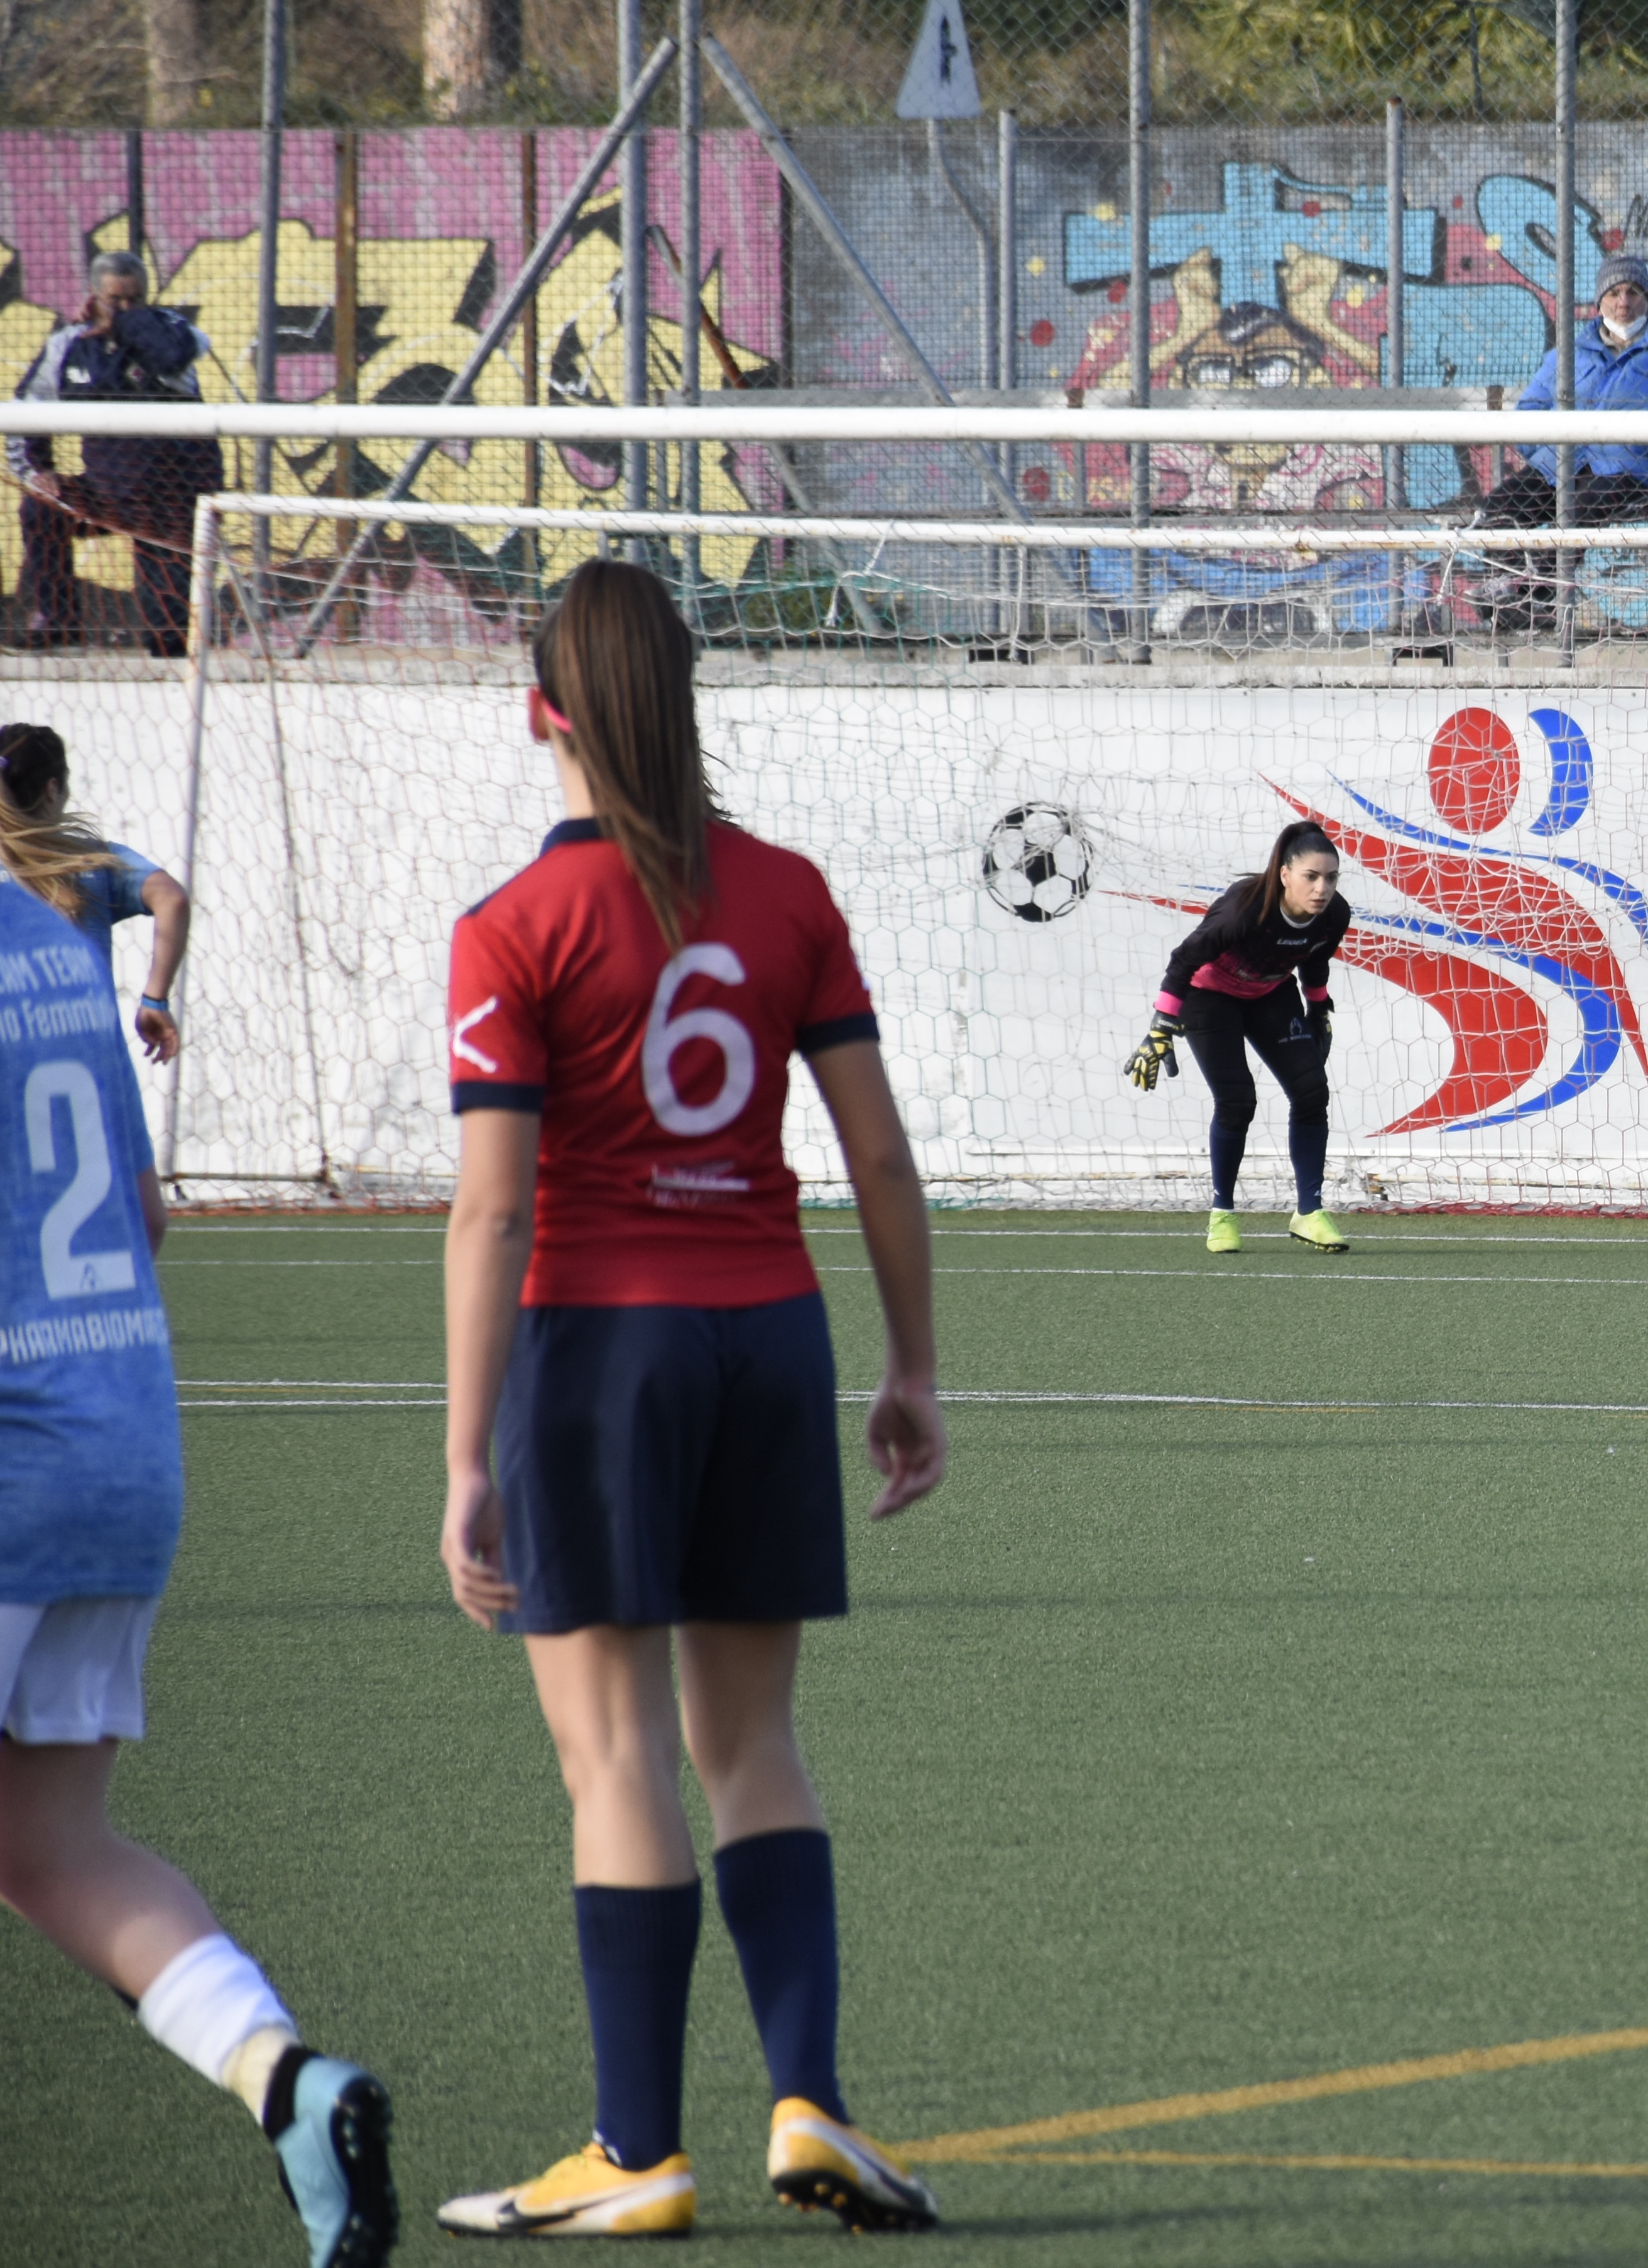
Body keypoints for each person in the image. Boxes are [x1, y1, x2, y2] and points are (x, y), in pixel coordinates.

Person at [435, 560, 947, 2238]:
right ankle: (811, 2104)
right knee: (756, 1748)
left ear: (541, 713)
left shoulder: (515, 927)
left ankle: (636, 2149)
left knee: (617, 1757)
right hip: (769, 1338)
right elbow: (875, 1149)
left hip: (600, 1347)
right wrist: (911, 1367)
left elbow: (494, 1208)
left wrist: (464, 1454)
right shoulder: (791, 895)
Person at [0, 851, 400, 2266]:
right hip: (120, 1441)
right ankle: (290, 2084)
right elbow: (148, 1215)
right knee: (43, 1843)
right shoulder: (51, 947)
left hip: (3, 1445)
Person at [1127, 819, 1352, 1255]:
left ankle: (1309, 1213)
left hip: (1270, 993)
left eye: (1330, 877)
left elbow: (1315, 959)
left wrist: (1319, 1008)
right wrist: (1160, 1028)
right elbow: (1183, 961)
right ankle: (1222, 1216)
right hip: (1208, 998)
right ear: (1285, 875)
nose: (1322, 888)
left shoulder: (1335, 914)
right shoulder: (1245, 910)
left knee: (1311, 1093)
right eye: (1311, 877)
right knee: (1238, 1102)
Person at [1478, 254, 1648, 635]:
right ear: (1600, 303)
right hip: (1563, 467)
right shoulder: (1572, 353)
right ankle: (1505, 592)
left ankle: (1538, 598)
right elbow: (1530, 410)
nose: (1623, 302)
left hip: (1632, 477)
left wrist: (1641, 449)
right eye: (1614, 293)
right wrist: (1550, 453)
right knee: (1499, 507)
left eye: (1633, 292)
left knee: (1576, 513)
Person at [9, 250, 219, 655]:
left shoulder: (172, 332)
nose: (124, 309)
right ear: (92, 295)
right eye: (114, 300)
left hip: (172, 503)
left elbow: (173, 356)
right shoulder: (68, 346)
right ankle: (60, 624)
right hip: (107, 493)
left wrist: (125, 323)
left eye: (133, 300)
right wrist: (38, 470)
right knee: (41, 508)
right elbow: (24, 411)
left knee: (169, 641)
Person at [0, 722, 189, 1064]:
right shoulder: (92, 862)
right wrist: (154, 1000)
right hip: (89, 1069)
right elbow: (172, 898)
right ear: (53, 789)